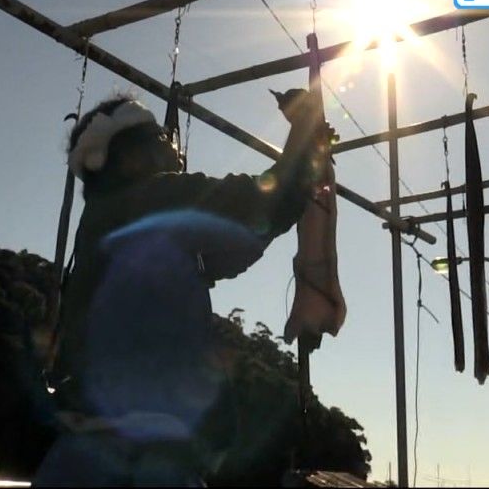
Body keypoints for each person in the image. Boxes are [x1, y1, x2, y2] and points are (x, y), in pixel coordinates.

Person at [33, 89, 324, 486]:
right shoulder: (150, 199)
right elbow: (262, 207)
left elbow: (233, 246)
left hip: (81, 448)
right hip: (148, 454)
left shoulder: (101, 224)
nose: (173, 147)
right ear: (131, 153)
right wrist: (306, 127)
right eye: (162, 139)